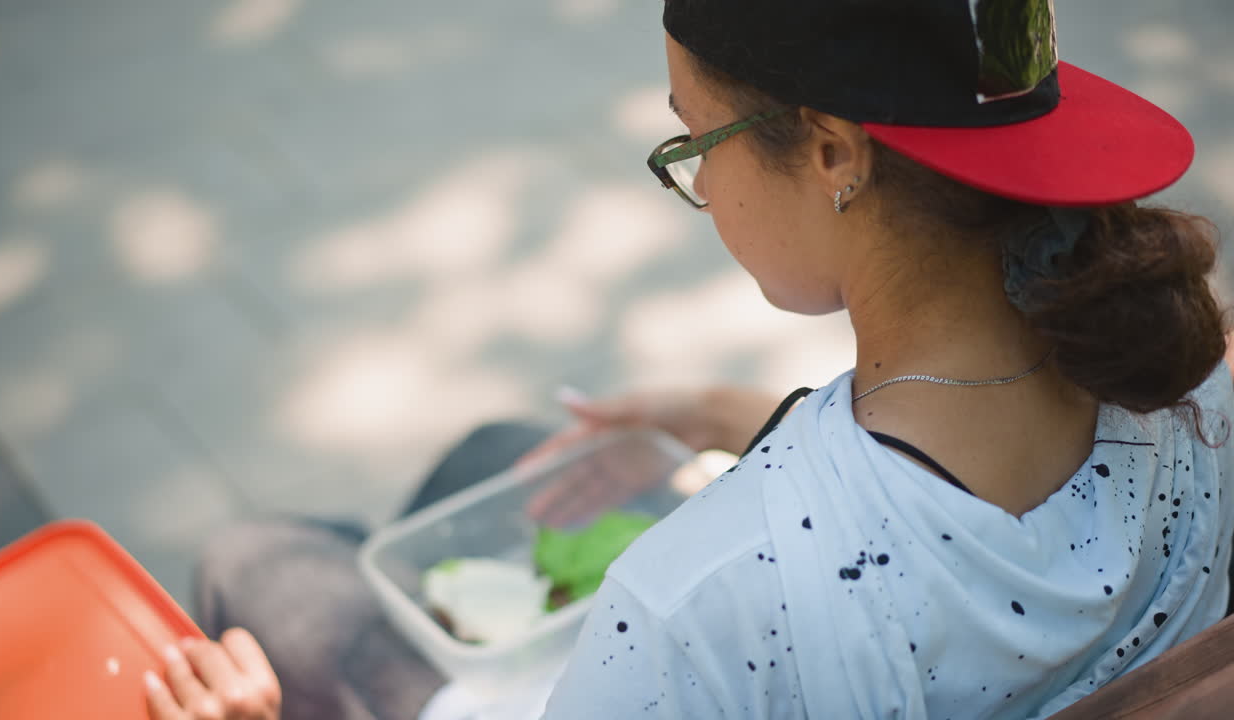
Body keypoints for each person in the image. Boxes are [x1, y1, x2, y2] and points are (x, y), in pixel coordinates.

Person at [146, 0, 1234, 718]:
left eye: (694, 139)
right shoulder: (1186, 378)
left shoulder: (701, 602)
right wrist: (727, 418)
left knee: (257, 562)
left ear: (831, 151)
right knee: (492, 453)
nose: (700, 185)